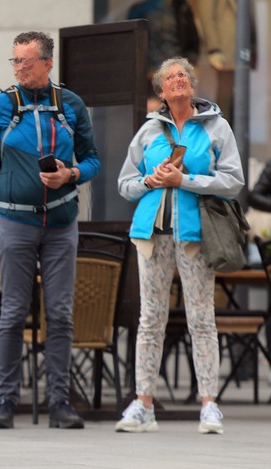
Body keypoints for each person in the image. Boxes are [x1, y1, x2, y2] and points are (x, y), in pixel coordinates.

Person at [0, 31, 101, 430]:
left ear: (48, 63)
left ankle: (59, 402)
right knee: (12, 313)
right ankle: (5, 402)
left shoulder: (71, 105)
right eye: (15, 61)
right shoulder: (1, 106)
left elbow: (94, 160)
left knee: (60, 315)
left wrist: (72, 174)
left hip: (62, 225)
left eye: (27, 62)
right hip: (14, 223)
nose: (19, 69)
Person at [116, 56, 243, 434]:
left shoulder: (217, 127)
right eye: (170, 77)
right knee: (150, 321)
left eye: (183, 76)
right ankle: (143, 404)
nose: (178, 81)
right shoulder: (148, 131)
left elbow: (233, 181)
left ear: (192, 84)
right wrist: (152, 182)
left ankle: (209, 405)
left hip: (195, 235)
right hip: (152, 236)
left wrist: (185, 180)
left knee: (201, 319)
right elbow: (125, 185)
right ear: (160, 91)